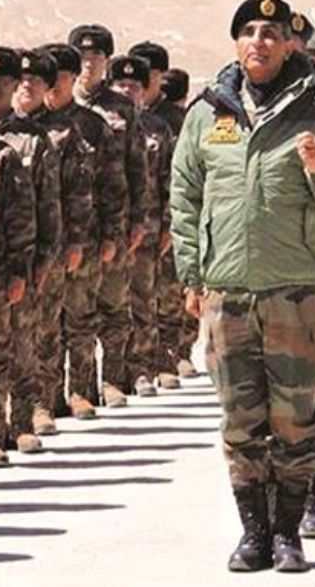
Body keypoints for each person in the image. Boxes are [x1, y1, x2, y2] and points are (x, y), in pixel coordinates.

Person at [168, 0, 315, 573]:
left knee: (296, 419)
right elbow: (184, 197)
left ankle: (288, 533)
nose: (258, 40)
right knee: (240, 420)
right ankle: (253, 533)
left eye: (270, 33)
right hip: (228, 293)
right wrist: (192, 274)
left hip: (297, 292)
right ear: (237, 43)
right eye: (248, 31)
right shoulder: (209, 113)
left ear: (289, 46)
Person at [0, 45, 59, 459]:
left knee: (21, 341)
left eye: (3, 81)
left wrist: (40, 258)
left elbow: (47, 204)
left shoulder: (32, 139)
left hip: (16, 259)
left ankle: (22, 421)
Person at [41, 42, 130, 419]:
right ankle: (45, 397)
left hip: (86, 237)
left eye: (63, 78)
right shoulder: (31, 126)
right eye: (51, 78)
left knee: (80, 317)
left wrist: (114, 234)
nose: (55, 85)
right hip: (43, 240)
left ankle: (81, 388)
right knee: (44, 324)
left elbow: (114, 183)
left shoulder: (92, 126)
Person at [13, 46, 95, 432]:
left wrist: (74, 242)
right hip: (7, 250)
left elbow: (78, 192)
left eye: (35, 80)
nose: (27, 85)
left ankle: (46, 401)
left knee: (47, 325)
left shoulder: (62, 132)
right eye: (22, 78)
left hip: (51, 243)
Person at [69, 24, 149, 407]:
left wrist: (136, 221)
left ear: (107, 62)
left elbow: (137, 167)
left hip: (111, 218)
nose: (88, 64)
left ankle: (114, 379)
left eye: (97, 57)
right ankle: (76, 389)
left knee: (114, 304)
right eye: (82, 57)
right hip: (72, 224)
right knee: (75, 312)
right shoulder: (61, 105)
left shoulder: (121, 108)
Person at [129, 41, 194, 385]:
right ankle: (140, 361)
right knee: (137, 295)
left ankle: (172, 353)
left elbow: (183, 176)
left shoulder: (176, 121)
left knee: (170, 290)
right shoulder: (130, 118)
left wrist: (175, 221)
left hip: (168, 220)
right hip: (137, 223)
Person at [107, 54, 169, 398]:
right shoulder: (107, 124)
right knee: (113, 303)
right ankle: (111, 375)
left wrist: (166, 226)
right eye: (122, 85)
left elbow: (167, 180)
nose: (128, 90)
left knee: (144, 298)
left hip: (146, 226)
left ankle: (142, 367)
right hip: (113, 228)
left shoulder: (157, 129)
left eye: (134, 86)